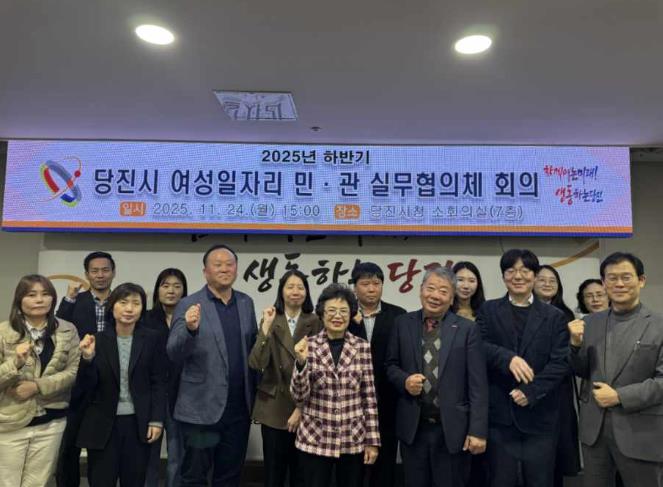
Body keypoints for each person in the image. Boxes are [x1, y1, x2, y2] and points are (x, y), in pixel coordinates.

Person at [385, 266, 488, 487]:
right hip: (414, 428)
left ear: (451, 298)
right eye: (430, 288)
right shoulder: (402, 323)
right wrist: (404, 381)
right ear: (421, 290)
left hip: (452, 430)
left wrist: (478, 431)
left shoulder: (467, 329)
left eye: (443, 291)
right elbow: (391, 366)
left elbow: (478, 384)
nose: (435, 295)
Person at [569, 252, 663, 487]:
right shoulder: (590, 323)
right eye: (612, 278)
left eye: (626, 277)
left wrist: (620, 396)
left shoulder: (658, 325)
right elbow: (580, 370)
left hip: (640, 431)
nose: (619, 284)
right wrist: (574, 345)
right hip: (595, 433)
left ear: (641, 280)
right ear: (604, 283)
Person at [477, 249, 569, 487]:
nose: (518, 276)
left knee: (540, 481)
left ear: (534, 276)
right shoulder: (488, 310)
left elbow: (560, 362)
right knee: (500, 480)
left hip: (540, 416)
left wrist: (531, 391)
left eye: (525, 271)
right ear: (503, 276)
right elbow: (479, 347)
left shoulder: (555, 316)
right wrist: (507, 358)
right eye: (511, 271)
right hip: (499, 416)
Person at [167, 244, 258, 487]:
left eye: (229, 264)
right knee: (194, 476)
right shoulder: (189, 304)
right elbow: (174, 352)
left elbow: (252, 352)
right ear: (205, 271)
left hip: (238, 409)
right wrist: (189, 329)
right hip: (201, 409)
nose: (224, 269)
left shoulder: (246, 303)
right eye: (218, 265)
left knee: (230, 476)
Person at [76, 282, 167, 487]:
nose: (129, 309)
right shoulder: (97, 340)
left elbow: (158, 382)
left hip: (138, 423)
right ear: (112, 306)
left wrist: (156, 420)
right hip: (102, 424)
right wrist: (87, 359)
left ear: (142, 308)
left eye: (136, 303)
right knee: (101, 480)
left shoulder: (152, 339)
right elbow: (85, 387)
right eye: (123, 302)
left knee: (134, 480)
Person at [290, 283, 380, 487]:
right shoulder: (309, 345)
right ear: (322, 314)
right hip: (315, 438)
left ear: (351, 314)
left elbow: (369, 397)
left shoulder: (362, 347)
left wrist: (372, 441)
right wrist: (301, 363)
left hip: (352, 439)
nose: (337, 316)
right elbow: (299, 396)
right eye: (331, 310)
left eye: (343, 311)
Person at [0, 275, 81, 487]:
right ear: (19, 300)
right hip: (10, 421)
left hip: (51, 422)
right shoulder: (3, 331)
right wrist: (15, 364)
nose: (39, 300)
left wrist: (37, 386)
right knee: (8, 482)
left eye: (45, 294)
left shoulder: (67, 329)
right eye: (31, 294)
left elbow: (73, 371)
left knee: (38, 482)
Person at [249, 269, 322, 487]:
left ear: (307, 292)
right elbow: (256, 363)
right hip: (274, 407)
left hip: (307, 407)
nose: (295, 291)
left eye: (300, 287)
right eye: (290, 287)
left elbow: (319, 369)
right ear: (281, 291)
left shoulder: (316, 321)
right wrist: (265, 328)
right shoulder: (271, 319)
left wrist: (300, 407)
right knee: (274, 474)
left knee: (302, 475)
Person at [56, 250, 116, 487]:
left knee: (101, 447)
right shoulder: (76, 301)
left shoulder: (121, 301)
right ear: (87, 274)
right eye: (95, 271)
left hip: (110, 381)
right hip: (78, 381)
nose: (100, 275)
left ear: (113, 273)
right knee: (69, 444)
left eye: (105, 270)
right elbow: (57, 327)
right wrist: (69, 298)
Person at [348, 262, 406, 487]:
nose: (372, 289)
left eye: (376, 283)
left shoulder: (398, 316)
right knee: (352, 468)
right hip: (351, 404)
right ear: (355, 287)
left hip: (387, 402)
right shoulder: (345, 315)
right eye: (365, 284)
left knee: (384, 466)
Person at [533, 264, 581, 487]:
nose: (547, 284)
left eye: (552, 280)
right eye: (542, 279)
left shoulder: (566, 315)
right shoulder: (520, 312)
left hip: (559, 390)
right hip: (530, 386)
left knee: (557, 456)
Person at [143, 268, 188, 487]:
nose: (171, 291)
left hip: (181, 395)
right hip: (151, 395)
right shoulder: (145, 318)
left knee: (177, 456)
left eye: (177, 286)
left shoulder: (190, 319)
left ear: (184, 291)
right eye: (166, 285)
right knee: (148, 455)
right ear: (157, 290)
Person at [451, 261, 488, 487]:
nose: (466, 285)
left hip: (481, 385)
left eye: (471, 280)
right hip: (453, 388)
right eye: (460, 280)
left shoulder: (486, 312)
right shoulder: (443, 313)